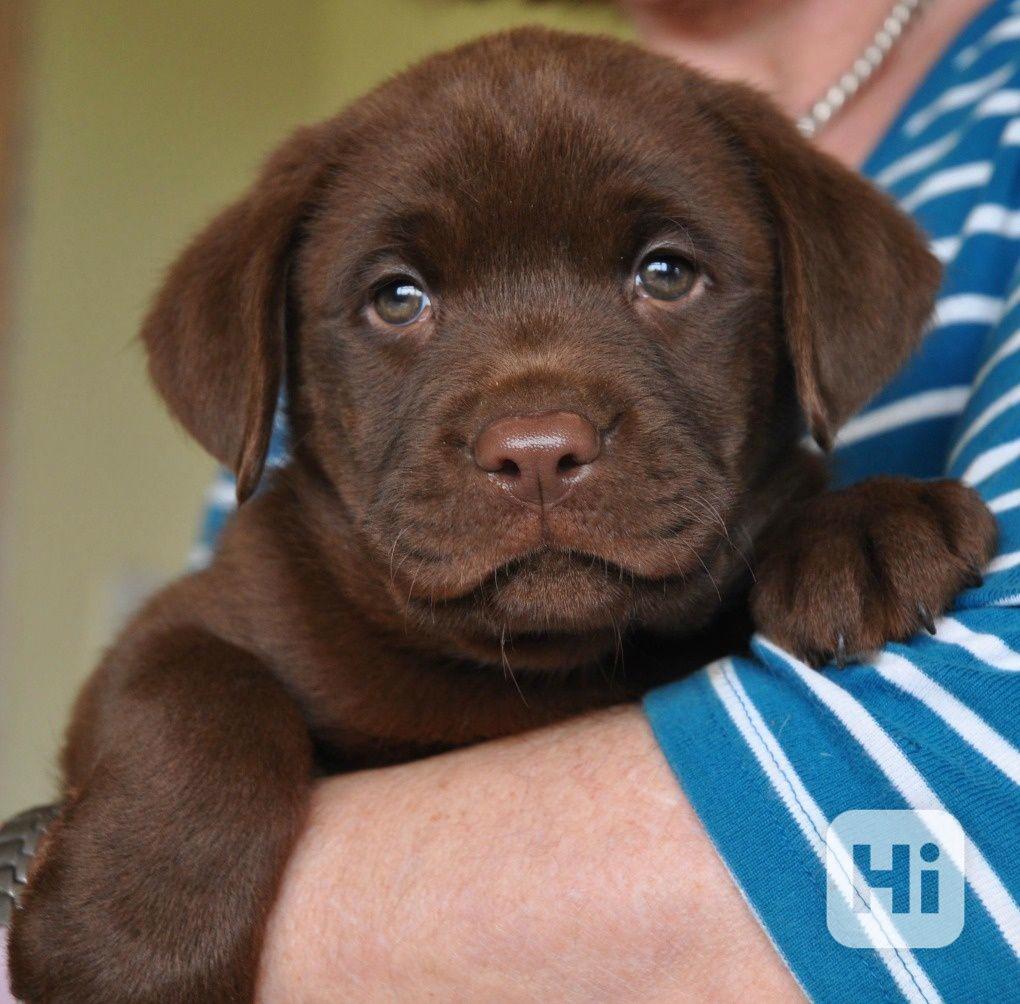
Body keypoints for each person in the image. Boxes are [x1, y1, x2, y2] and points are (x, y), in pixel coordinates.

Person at [5, 1, 1019, 1000]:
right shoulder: (294, 588)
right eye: (398, 297)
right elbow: (170, 662)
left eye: (665, 272)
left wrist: (851, 528)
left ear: (810, 313)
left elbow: (968, 842)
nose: (535, 439)